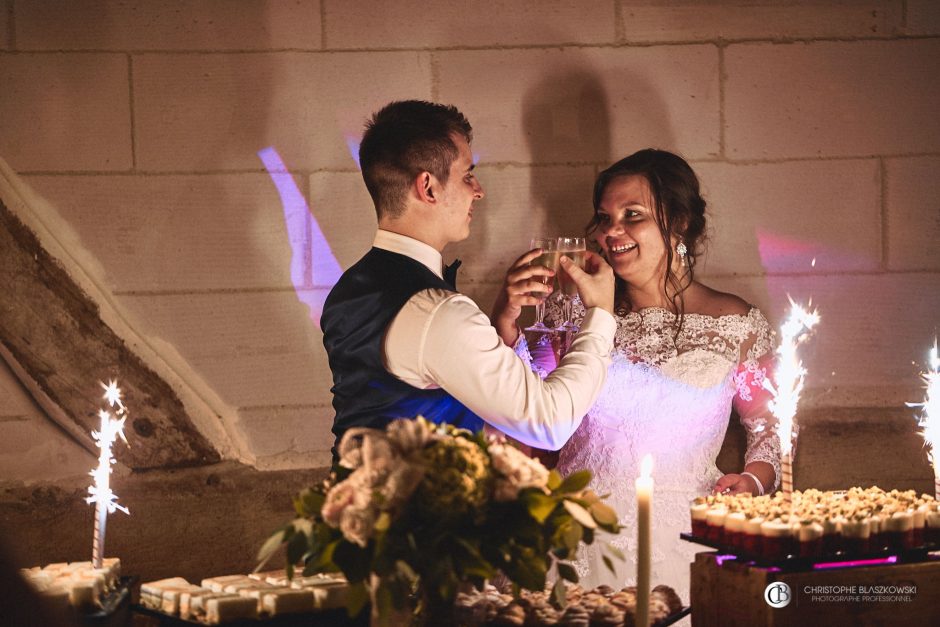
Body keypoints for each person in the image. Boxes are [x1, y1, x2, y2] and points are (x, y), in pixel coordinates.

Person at [493, 149, 780, 600]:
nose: (613, 231)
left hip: (690, 535)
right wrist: (507, 327)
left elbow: (768, 428)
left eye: (633, 215)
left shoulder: (739, 324)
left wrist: (753, 481)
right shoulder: (572, 315)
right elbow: (525, 408)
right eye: (605, 218)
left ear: (679, 221)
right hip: (576, 536)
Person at [321, 100, 618, 462]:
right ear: (428, 188)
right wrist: (601, 313)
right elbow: (551, 421)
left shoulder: (352, 285)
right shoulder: (438, 312)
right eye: (467, 176)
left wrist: (498, 324)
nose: (478, 191)